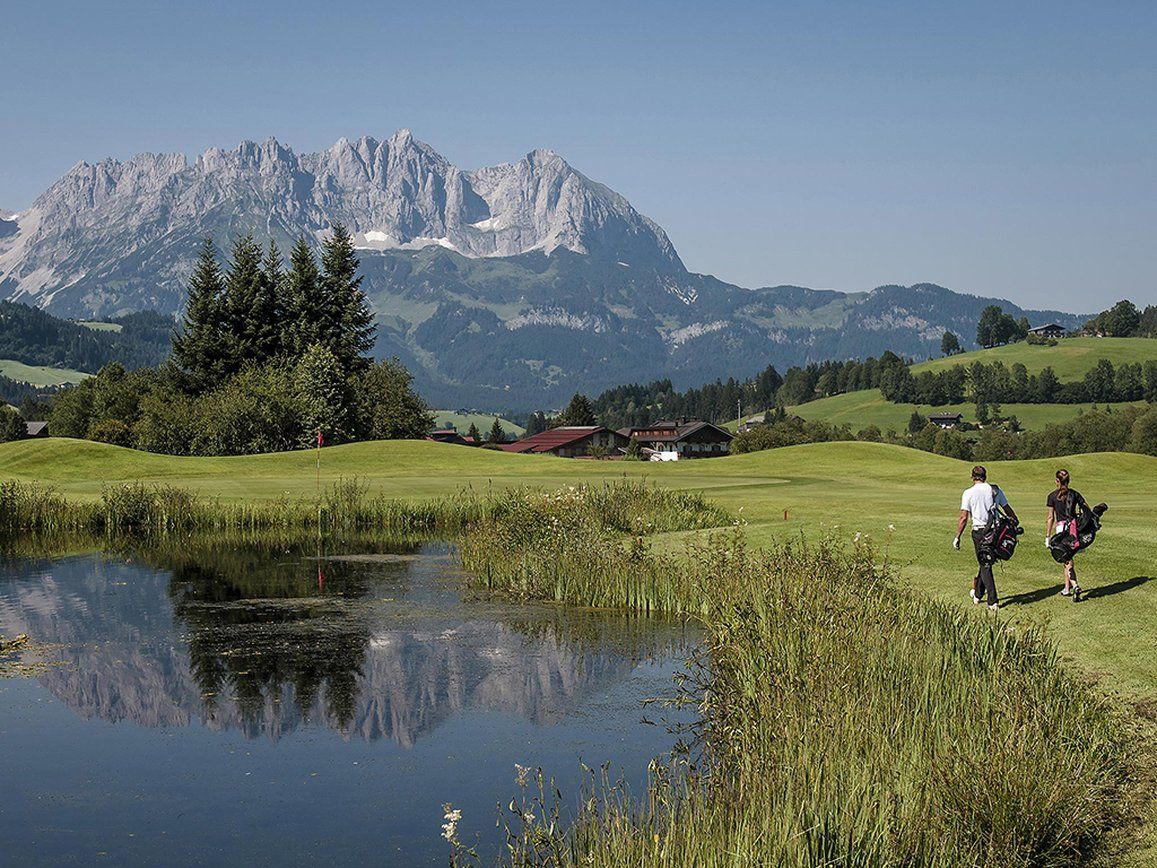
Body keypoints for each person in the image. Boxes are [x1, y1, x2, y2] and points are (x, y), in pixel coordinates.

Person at [953, 465, 1018, 611]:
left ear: (972, 477)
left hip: (979, 532)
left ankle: (992, 601)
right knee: (985, 561)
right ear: (985, 476)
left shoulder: (968, 493)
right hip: (995, 531)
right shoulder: (994, 490)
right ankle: (977, 594)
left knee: (985, 563)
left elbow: (963, 518)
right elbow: (1007, 509)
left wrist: (957, 537)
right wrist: (1015, 521)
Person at [1046, 468, 1086, 601]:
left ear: (1057, 481)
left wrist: (1047, 536)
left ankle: (1075, 586)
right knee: (1067, 560)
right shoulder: (1074, 494)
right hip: (1074, 528)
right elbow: (1086, 508)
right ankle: (1067, 588)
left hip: (1061, 530)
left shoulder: (1052, 496)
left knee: (1066, 559)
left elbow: (1050, 517)